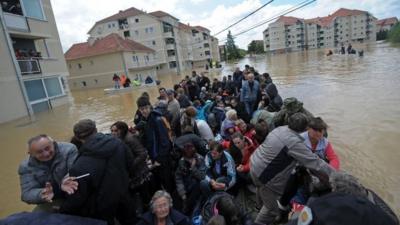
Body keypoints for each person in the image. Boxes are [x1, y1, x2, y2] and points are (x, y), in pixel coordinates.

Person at [250, 113, 335, 225]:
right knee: (271, 209)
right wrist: (336, 176)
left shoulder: (281, 129)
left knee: (260, 189)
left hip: (254, 163)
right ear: (305, 128)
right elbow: (315, 163)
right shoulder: (293, 142)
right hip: (264, 176)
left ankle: (258, 206)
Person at [60, 119, 136, 225]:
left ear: (77, 138)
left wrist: (62, 210)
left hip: (101, 208)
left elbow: (78, 197)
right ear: (96, 130)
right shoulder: (118, 143)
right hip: (123, 195)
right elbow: (130, 163)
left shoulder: (78, 166)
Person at [18, 135, 78, 211]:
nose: (46, 154)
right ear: (31, 154)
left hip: (74, 190)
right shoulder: (25, 167)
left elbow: (75, 171)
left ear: (53, 143)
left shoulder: (69, 149)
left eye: (47, 148)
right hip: (52, 198)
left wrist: (67, 179)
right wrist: (41, 194)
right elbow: (26, 194)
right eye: (39, 152)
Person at [136, 96, 175, 194]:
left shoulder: (156, 120)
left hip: (162, 158)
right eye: (141, 109)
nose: (144, 111)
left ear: (150, 107)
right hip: (155, 157)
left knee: (167, 181)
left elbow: (164, 142)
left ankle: (171, 201)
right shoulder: (147, 120)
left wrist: (158, 160)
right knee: (161, 181)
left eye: (145, 108)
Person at [175, 143, 206, 215]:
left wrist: (193, 168)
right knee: (176, 197)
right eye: (186, 158)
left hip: (197, 186)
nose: (187, 160)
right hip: (186, 186)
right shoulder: (182, 161)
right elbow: (178, 178)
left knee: (196, 187)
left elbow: (202, 176)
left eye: (189, 158)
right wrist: (182, 193)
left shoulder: (200, 159)